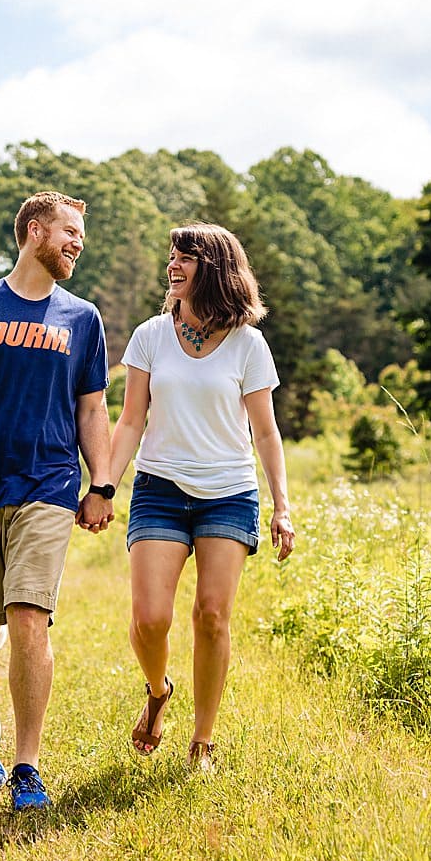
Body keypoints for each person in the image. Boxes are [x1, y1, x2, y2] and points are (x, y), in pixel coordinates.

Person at [0, 190, 116, 811]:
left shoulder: (82, 318)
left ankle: (27, 767)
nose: (77, 243)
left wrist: (101, 483)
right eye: (69, 232)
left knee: (30, 621)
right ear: (35, 232)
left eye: (80, 235)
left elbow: (93, 408)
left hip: (49, 487)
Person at [106, 223, 295, 773]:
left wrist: (282, 505)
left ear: (213, 267)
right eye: (171, 255)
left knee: (212, 615)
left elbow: (266, 431)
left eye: (185, 257)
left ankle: (202, 742)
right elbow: (131, 420)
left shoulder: (247, 343)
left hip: (229, 494)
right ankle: (158, 690)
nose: (173, 265)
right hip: (160, 489)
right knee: (150, 619)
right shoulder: (150, 336)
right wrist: (103, 487)